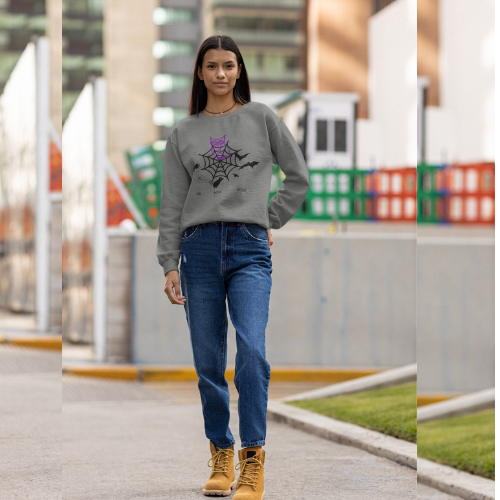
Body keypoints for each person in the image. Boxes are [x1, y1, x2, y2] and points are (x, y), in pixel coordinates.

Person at [156, 34, 309, 499]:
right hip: (197, 250)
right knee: (207, 362)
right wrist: (169, 262)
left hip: (247, 249)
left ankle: (253, 459)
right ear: (199, 73)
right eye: (211, 66)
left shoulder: (261, 118)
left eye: (228, 65)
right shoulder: (183, 133)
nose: (220, 74)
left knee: (252, 353)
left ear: (239, 70)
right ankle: (221, 452)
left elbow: (298, 176)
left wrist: (271, 217)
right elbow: (171, 206)